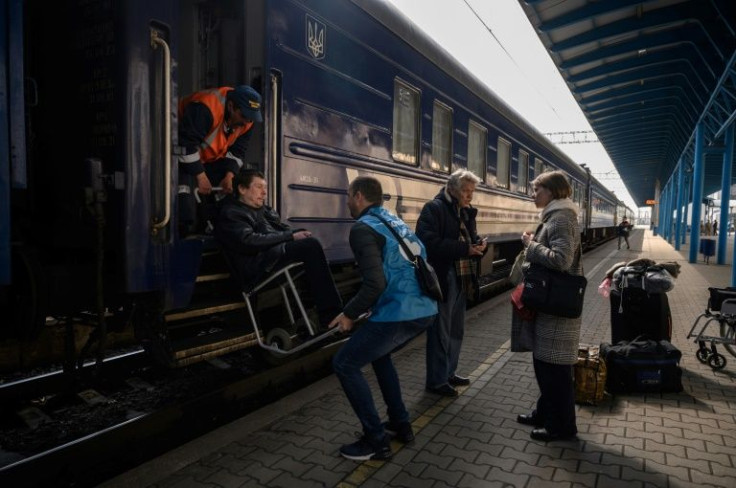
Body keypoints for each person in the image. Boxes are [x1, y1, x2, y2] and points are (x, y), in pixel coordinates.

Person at [329, 176, 437, 461]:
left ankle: (376, 441)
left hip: (400, 310)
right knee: (380, 355)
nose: (347, 201)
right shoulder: (394, 221)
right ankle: (401, 425)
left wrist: (349, 314)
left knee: (344, 363)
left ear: (360, 196)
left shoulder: (362, 228)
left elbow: (374, 283)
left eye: (349, 195)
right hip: (424, 307)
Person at [215, 169, 342, 328]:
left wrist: (296, 232)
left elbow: (281, 229)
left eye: (265, 188)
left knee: (310, 244)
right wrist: (290, 236)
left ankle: (327, 314)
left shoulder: (264, 210)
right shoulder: (232, 213)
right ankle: (331, 316)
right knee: (311, 246)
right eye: (259, 187)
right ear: (242, 189)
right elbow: (248, 241)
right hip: (257, 268)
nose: (264, 192)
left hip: (270, 257)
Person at [513, 170, 582, 442]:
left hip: (557, 306)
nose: (533, 194)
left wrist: (531, 246)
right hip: (553, 303)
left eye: (537, 190)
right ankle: (544, 413)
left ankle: (563, 427)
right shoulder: (557, 216)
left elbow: (562, 260)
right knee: (547, 365)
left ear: (552, 192)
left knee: (555, 371)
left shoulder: (562, 218)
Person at [416, 169, 487, 397]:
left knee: (457, 330)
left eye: (472, 191)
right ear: (452, 188)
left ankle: (449, 373)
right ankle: (436, 381)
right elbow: (428, 242)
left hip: (462, 277)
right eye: (466, 191)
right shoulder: (433, 209)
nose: (470, 196)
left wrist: (478, 246)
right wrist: (465, 249)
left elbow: (468, 240)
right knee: (440, 332)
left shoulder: (465, 212)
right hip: (443, 277)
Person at [178, 85, 262, 229]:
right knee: (185, 205)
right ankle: (187, 228)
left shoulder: (248, 121)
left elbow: (237, 152)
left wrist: (229, 176)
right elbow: (186, 145)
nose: (246, 122)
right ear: (230, 106)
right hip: (175, 154)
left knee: (234, 185)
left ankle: (222, 227)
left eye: (250, 118)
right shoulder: (206, 108)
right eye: (243, 116)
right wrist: (201, 176)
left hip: (205, 159)